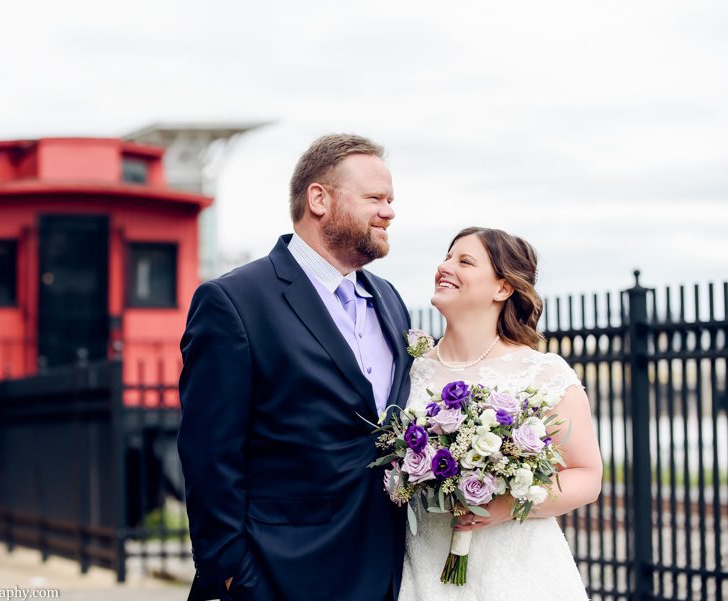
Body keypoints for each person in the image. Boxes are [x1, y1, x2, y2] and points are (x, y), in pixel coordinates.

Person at [177, 134, 413, 601]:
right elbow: (209, 453)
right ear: (319, 199)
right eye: (374, 198)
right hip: (281, 573)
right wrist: (232, 574)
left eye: (391, 200)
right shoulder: (235, 302)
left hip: (385, 570)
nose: (389, 212)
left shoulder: (390, 299)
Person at [398, 227, 603, 601]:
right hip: (422, 563)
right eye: (446, 257)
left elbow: (587, 476)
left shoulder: (543, 372)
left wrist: (505, 506)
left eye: (464, 261)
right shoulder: (410, 372)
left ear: (503, 288)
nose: (444, 267)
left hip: (516, 569)